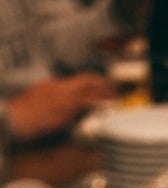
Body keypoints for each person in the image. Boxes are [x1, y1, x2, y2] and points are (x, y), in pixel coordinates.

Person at [0, 0, 149, 144]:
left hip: (60, 134)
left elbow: (61, 45)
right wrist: (10, 116)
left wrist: (122, 10)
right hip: (12, 148)